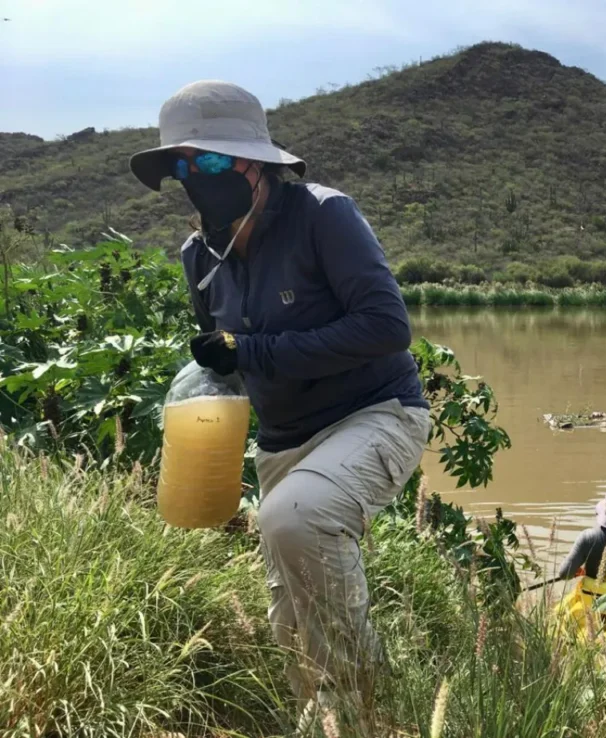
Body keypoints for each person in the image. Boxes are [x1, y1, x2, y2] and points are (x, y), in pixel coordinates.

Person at [129, 80, 431, 724]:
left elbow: (386, 327)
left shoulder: (323, 214)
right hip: (282, 438)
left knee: (296, 518)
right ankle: (321, 718)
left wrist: (253, 350)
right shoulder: (197, 254)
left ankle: (362, 709)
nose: (194, 175)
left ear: (255, 162)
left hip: (375, 412)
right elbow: (233, 361)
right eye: (181, 164)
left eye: (209, 159)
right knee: (287, 615)